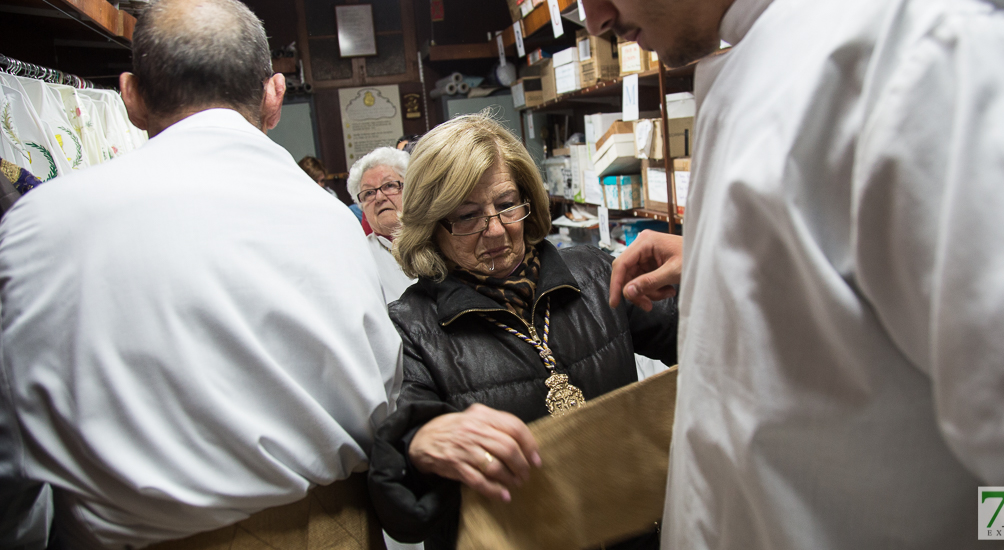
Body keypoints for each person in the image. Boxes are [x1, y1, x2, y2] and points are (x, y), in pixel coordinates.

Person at [584, 0, 1004, 548]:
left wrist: (954, 529)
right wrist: (734, 257)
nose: (596, 19)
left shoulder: (940, 48)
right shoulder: (771, 48)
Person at [0, 1, 403, 548]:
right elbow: (385, 395)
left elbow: (11, 451)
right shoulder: (330, 219)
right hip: (326, 526)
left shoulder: (37, 225)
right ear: (274, 95)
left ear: (131, 98)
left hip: (125, 535)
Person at [366, 112, 678, 550]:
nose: (494, 229)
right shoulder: (411, 327)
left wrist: (701, 268)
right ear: (432, 226)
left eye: (506, 204)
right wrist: (417, 447)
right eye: (467, 215)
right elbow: (405, 511)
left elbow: (709, 344)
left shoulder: (594, 274)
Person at [347, 147, 416, 302]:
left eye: (389, 185)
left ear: (412, 189)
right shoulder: (357, 256)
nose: (379, 197)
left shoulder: (441, 235)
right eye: (368, 193)